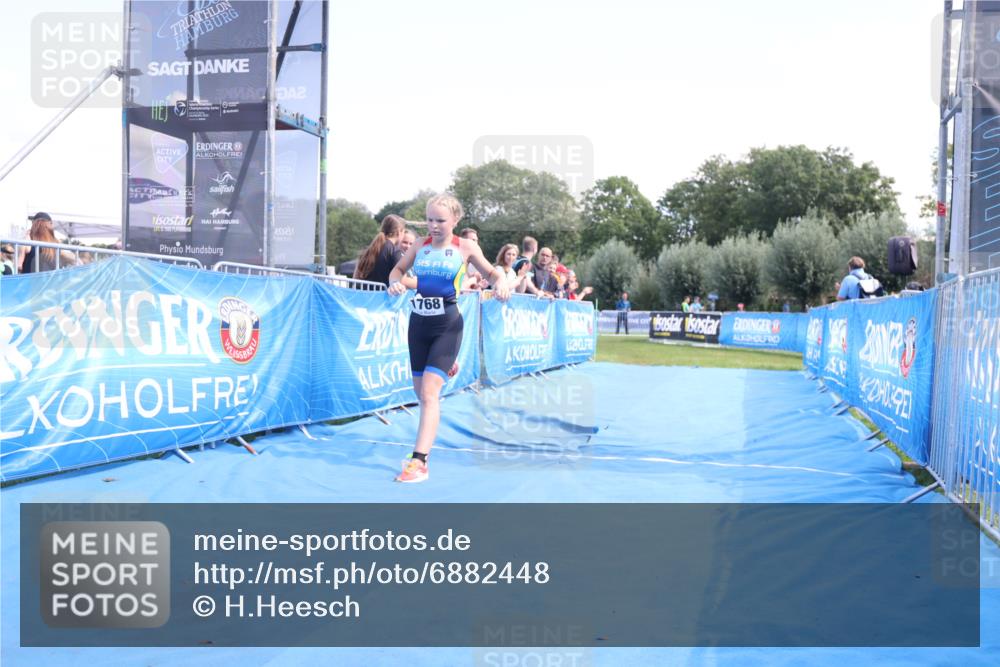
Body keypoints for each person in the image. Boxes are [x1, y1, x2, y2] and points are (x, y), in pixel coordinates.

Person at [387, 194, 511, 483]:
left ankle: (419, 461)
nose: (434, 225)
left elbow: (493, 274)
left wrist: (502, 283)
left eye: (440, 220)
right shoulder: (419, 246)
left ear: (455, 220)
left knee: (430, 395)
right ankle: (444, 366)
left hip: (447, 325)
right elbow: (397, 271)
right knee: (421, 393)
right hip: (418, 325)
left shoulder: (466, 247)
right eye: (429, 219)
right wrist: (394, 282)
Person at [354, 214, 412, 286]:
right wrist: (420, 282)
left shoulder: (367, 251)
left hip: (364, 295)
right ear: (398, 232)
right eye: (403, 232)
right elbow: (403, 281)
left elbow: (355, 278)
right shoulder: (395, 252)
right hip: (382, 296)